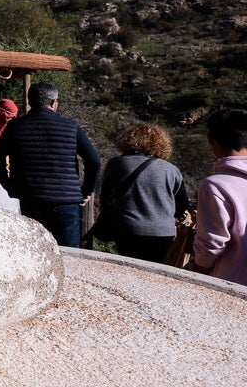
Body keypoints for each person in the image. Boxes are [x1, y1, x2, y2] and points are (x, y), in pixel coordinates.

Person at [0, 82, 101, 247]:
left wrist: (9, 185)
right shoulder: (72, 127)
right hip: (66, 201)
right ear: (53, 102)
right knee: (68, 253)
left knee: (34, 249)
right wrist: (86, 191)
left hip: (30, 198)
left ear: (30, 102)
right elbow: (94, 160)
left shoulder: (15, 126)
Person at [96, 123, 190, 263]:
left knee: (130, 270)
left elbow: (105, 196)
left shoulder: (116, 164)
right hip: (163, 232)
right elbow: (182, 206)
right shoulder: (171, 170)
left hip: (128, 229)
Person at [193, 105, 247, 285]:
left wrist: (196, 271)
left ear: (211, 140)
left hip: (229, 284)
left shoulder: (216, 186)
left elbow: (211, 244)